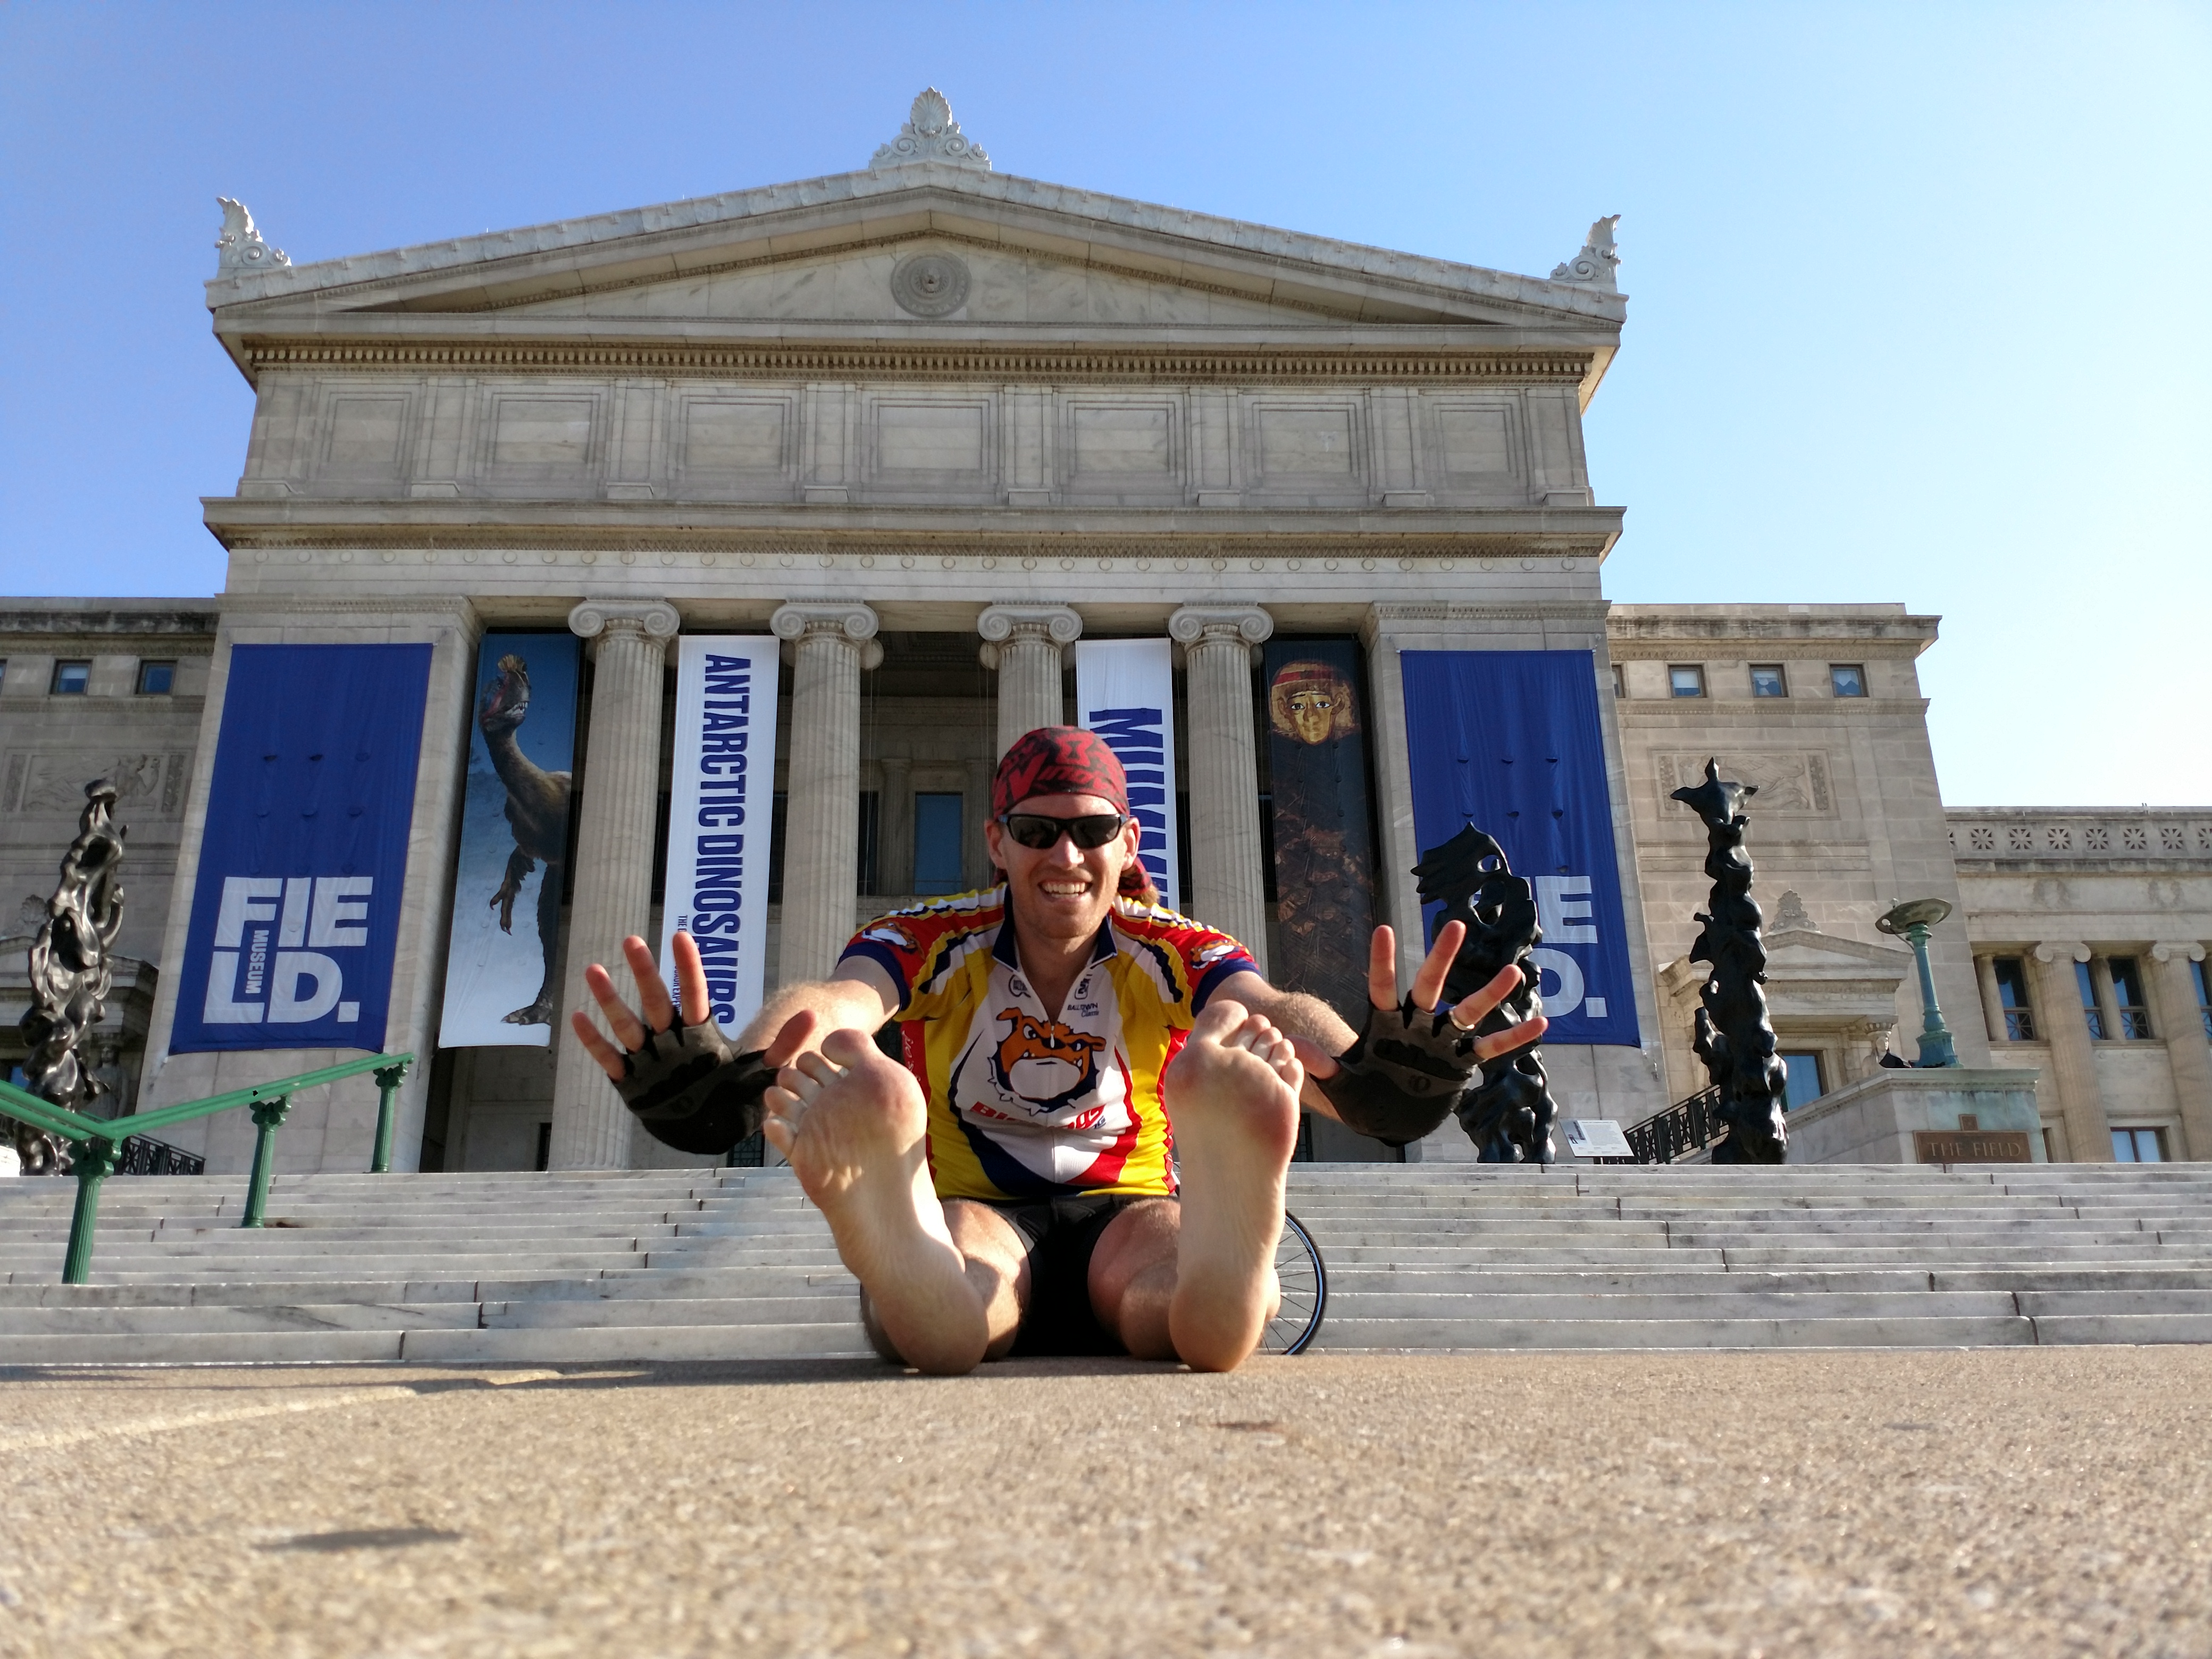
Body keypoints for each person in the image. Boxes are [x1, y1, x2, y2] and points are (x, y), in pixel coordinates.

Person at [572, 726, 1546, 1375]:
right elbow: (838, 1003)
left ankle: (1223, 1266)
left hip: (1129, 1207)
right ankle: (897, 1246)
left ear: (1126, 845)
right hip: (979, 1210)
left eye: (1091, 832)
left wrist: (1375, 1084)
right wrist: (739, 1078)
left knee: (1165, 1279)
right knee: (958, 1300)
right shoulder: (928, 939)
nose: (1066, 856)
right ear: (997, 843)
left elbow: (1273, 1012)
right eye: (1038, 832)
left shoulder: (1176, 948)